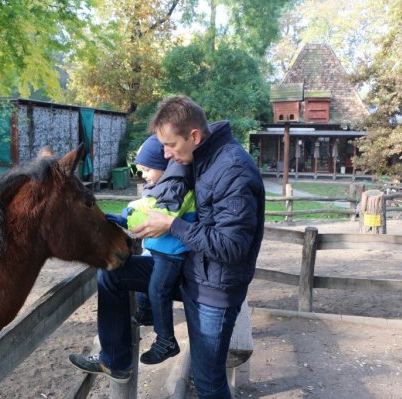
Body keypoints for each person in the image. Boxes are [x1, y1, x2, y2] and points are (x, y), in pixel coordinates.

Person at [69, 95, 265, 398]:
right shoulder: (199, 158)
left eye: (170, 145)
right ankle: (116, 360)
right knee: (111, 274)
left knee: (208, 381)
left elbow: (231, 247)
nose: (166, 154)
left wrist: (171, 225)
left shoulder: (233, 170)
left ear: (195, 136)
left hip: (215, 288)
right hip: (190, 271)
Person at [105, 135, 197, 365]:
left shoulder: (179, 188)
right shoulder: (162, 186)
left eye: (147, 169)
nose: (143, 175)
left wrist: (127, 215)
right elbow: (147, 206)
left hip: (172, 255)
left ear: (164, 166)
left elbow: (160, 214)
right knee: (142, 285)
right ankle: (146, 313)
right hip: (159, 250)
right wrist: (124, 218)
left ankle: (166, 340)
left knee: (158, 290)